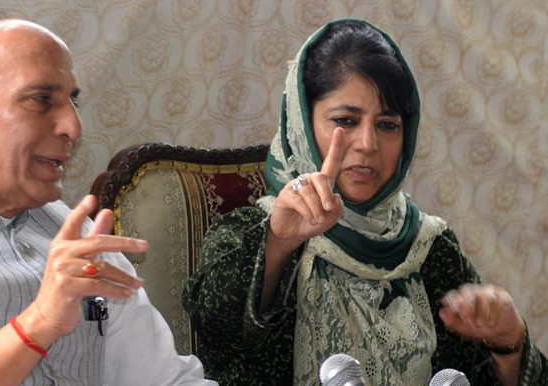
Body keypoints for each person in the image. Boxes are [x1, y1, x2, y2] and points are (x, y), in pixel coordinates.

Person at [183, 19, 547, 386]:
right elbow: (213, 334)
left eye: (388, 125)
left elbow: (476, 374)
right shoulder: (250, 232)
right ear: (303, 123)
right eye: (346, 120)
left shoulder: (429, 247)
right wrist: (277, 242)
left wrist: (508, 342)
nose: (368, 144)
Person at [0, 16, 216, 386]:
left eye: (72, 101)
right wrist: (40, 322)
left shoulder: (72, 230)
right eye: (41, 100)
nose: (73, 128)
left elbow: (164, 379)